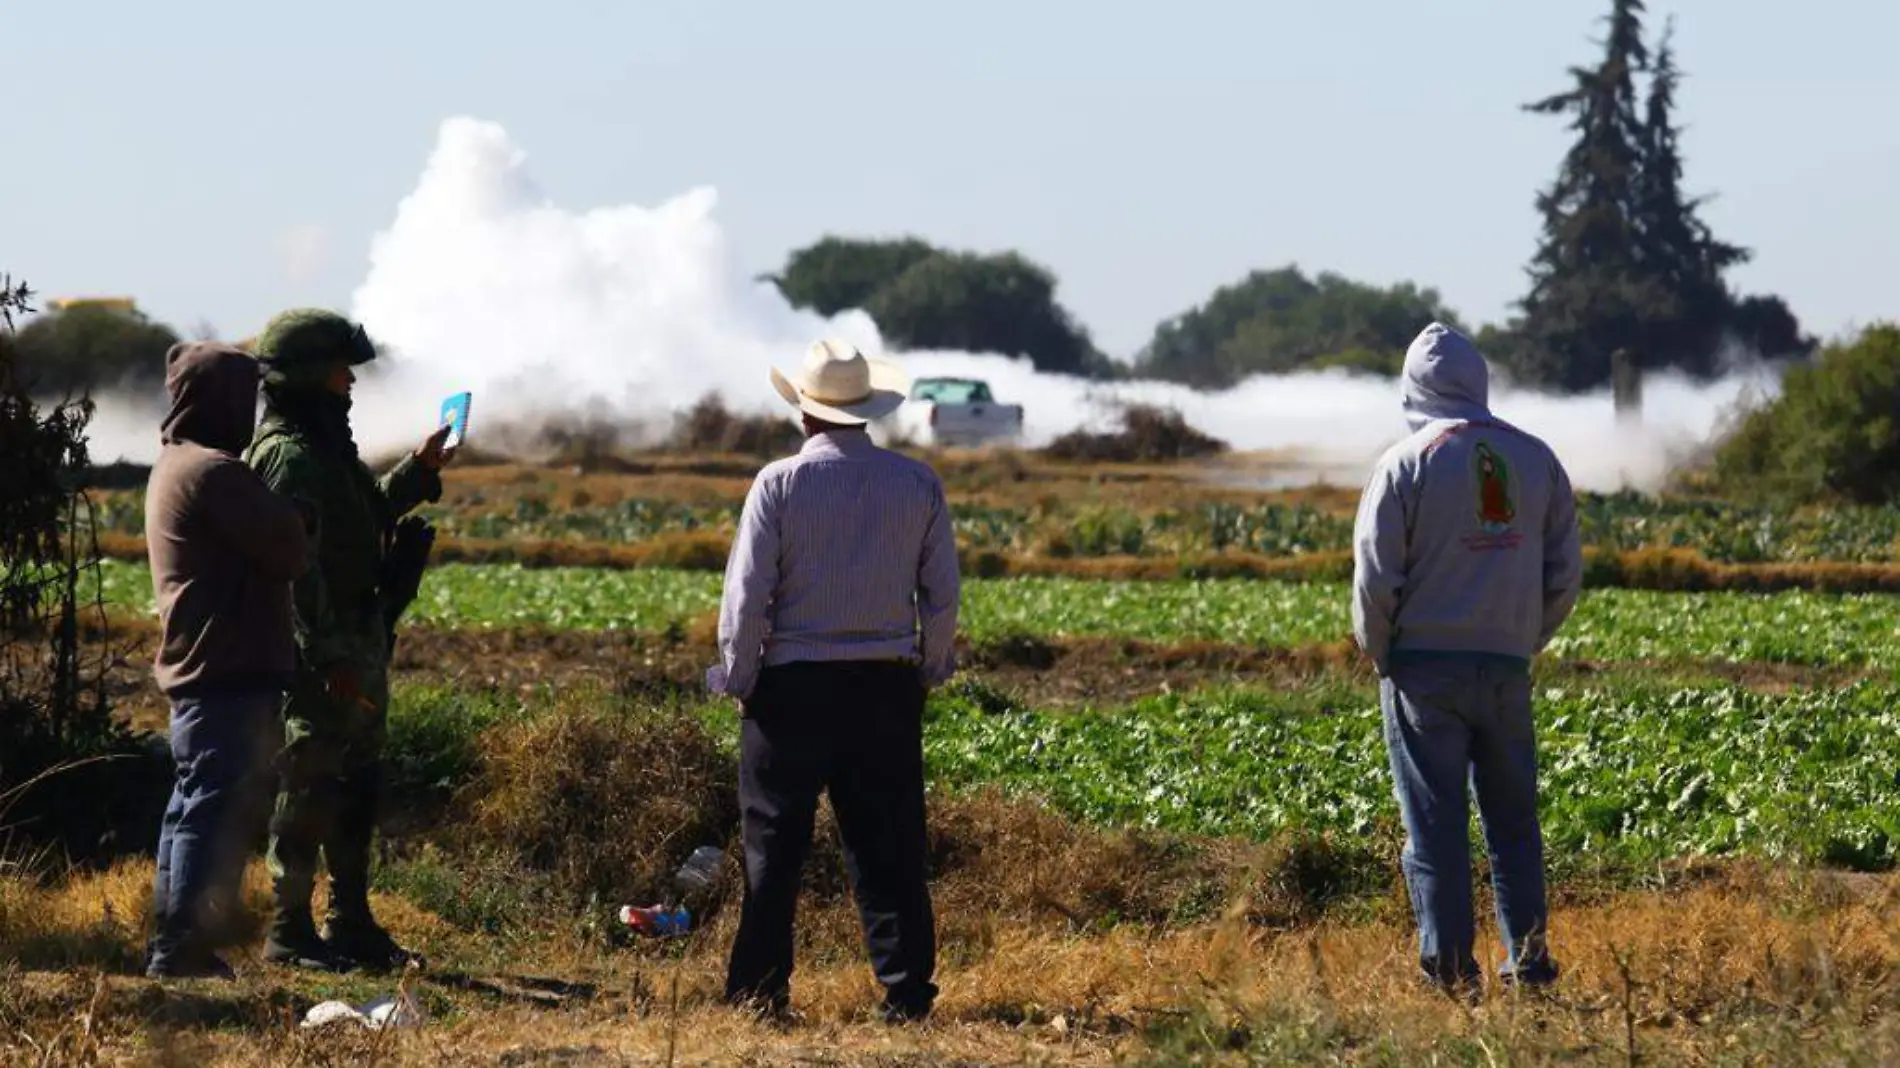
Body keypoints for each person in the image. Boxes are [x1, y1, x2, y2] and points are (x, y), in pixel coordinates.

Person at [710, 339, 960, 1023]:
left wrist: (738, 678)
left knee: (773, 849)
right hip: (883, 687)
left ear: (804, 413)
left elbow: (747, 595)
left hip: (791, 690)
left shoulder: (779, 483)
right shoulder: (916, 484)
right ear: (866, 411)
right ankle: (907, 995)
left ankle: (760, 996)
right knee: (889, 849)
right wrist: (927, 672)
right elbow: (941, 598)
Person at [1351, 322, 1583, 993]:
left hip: (1426, 670)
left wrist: (1380, 651)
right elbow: (1564, 571)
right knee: (1514, 826)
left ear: (1413, 386)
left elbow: (1375, 575)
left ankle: (1451, 976)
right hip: (1507, 667)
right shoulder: (1536, 458)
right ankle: (1530, 969)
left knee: (1436, 829)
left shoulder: (1406, 461)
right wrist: (1525, 636)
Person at [244, 308, 454, 973]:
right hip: (322, 659)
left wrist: (419, 472)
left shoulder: (324, 451)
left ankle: (350, 923)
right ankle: (289, 930)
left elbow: (363, 519)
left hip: (356, 650)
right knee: (308, 790)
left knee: (356, 786)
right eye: (340, 371)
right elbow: (294, 570)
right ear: (308, 376)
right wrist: (331, 656)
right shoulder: (288, 458)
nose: (350, 383)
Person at [144, 341, 311, 979]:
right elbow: (289, 551)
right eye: (246, 397)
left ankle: (171, 941)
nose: (254, 410)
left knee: (190, 805)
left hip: (202, 668)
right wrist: (301, 521)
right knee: (211, 809)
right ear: (223, 402)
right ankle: (182, 948)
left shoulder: (175, 464)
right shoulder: (216, 472)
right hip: (227, 668)